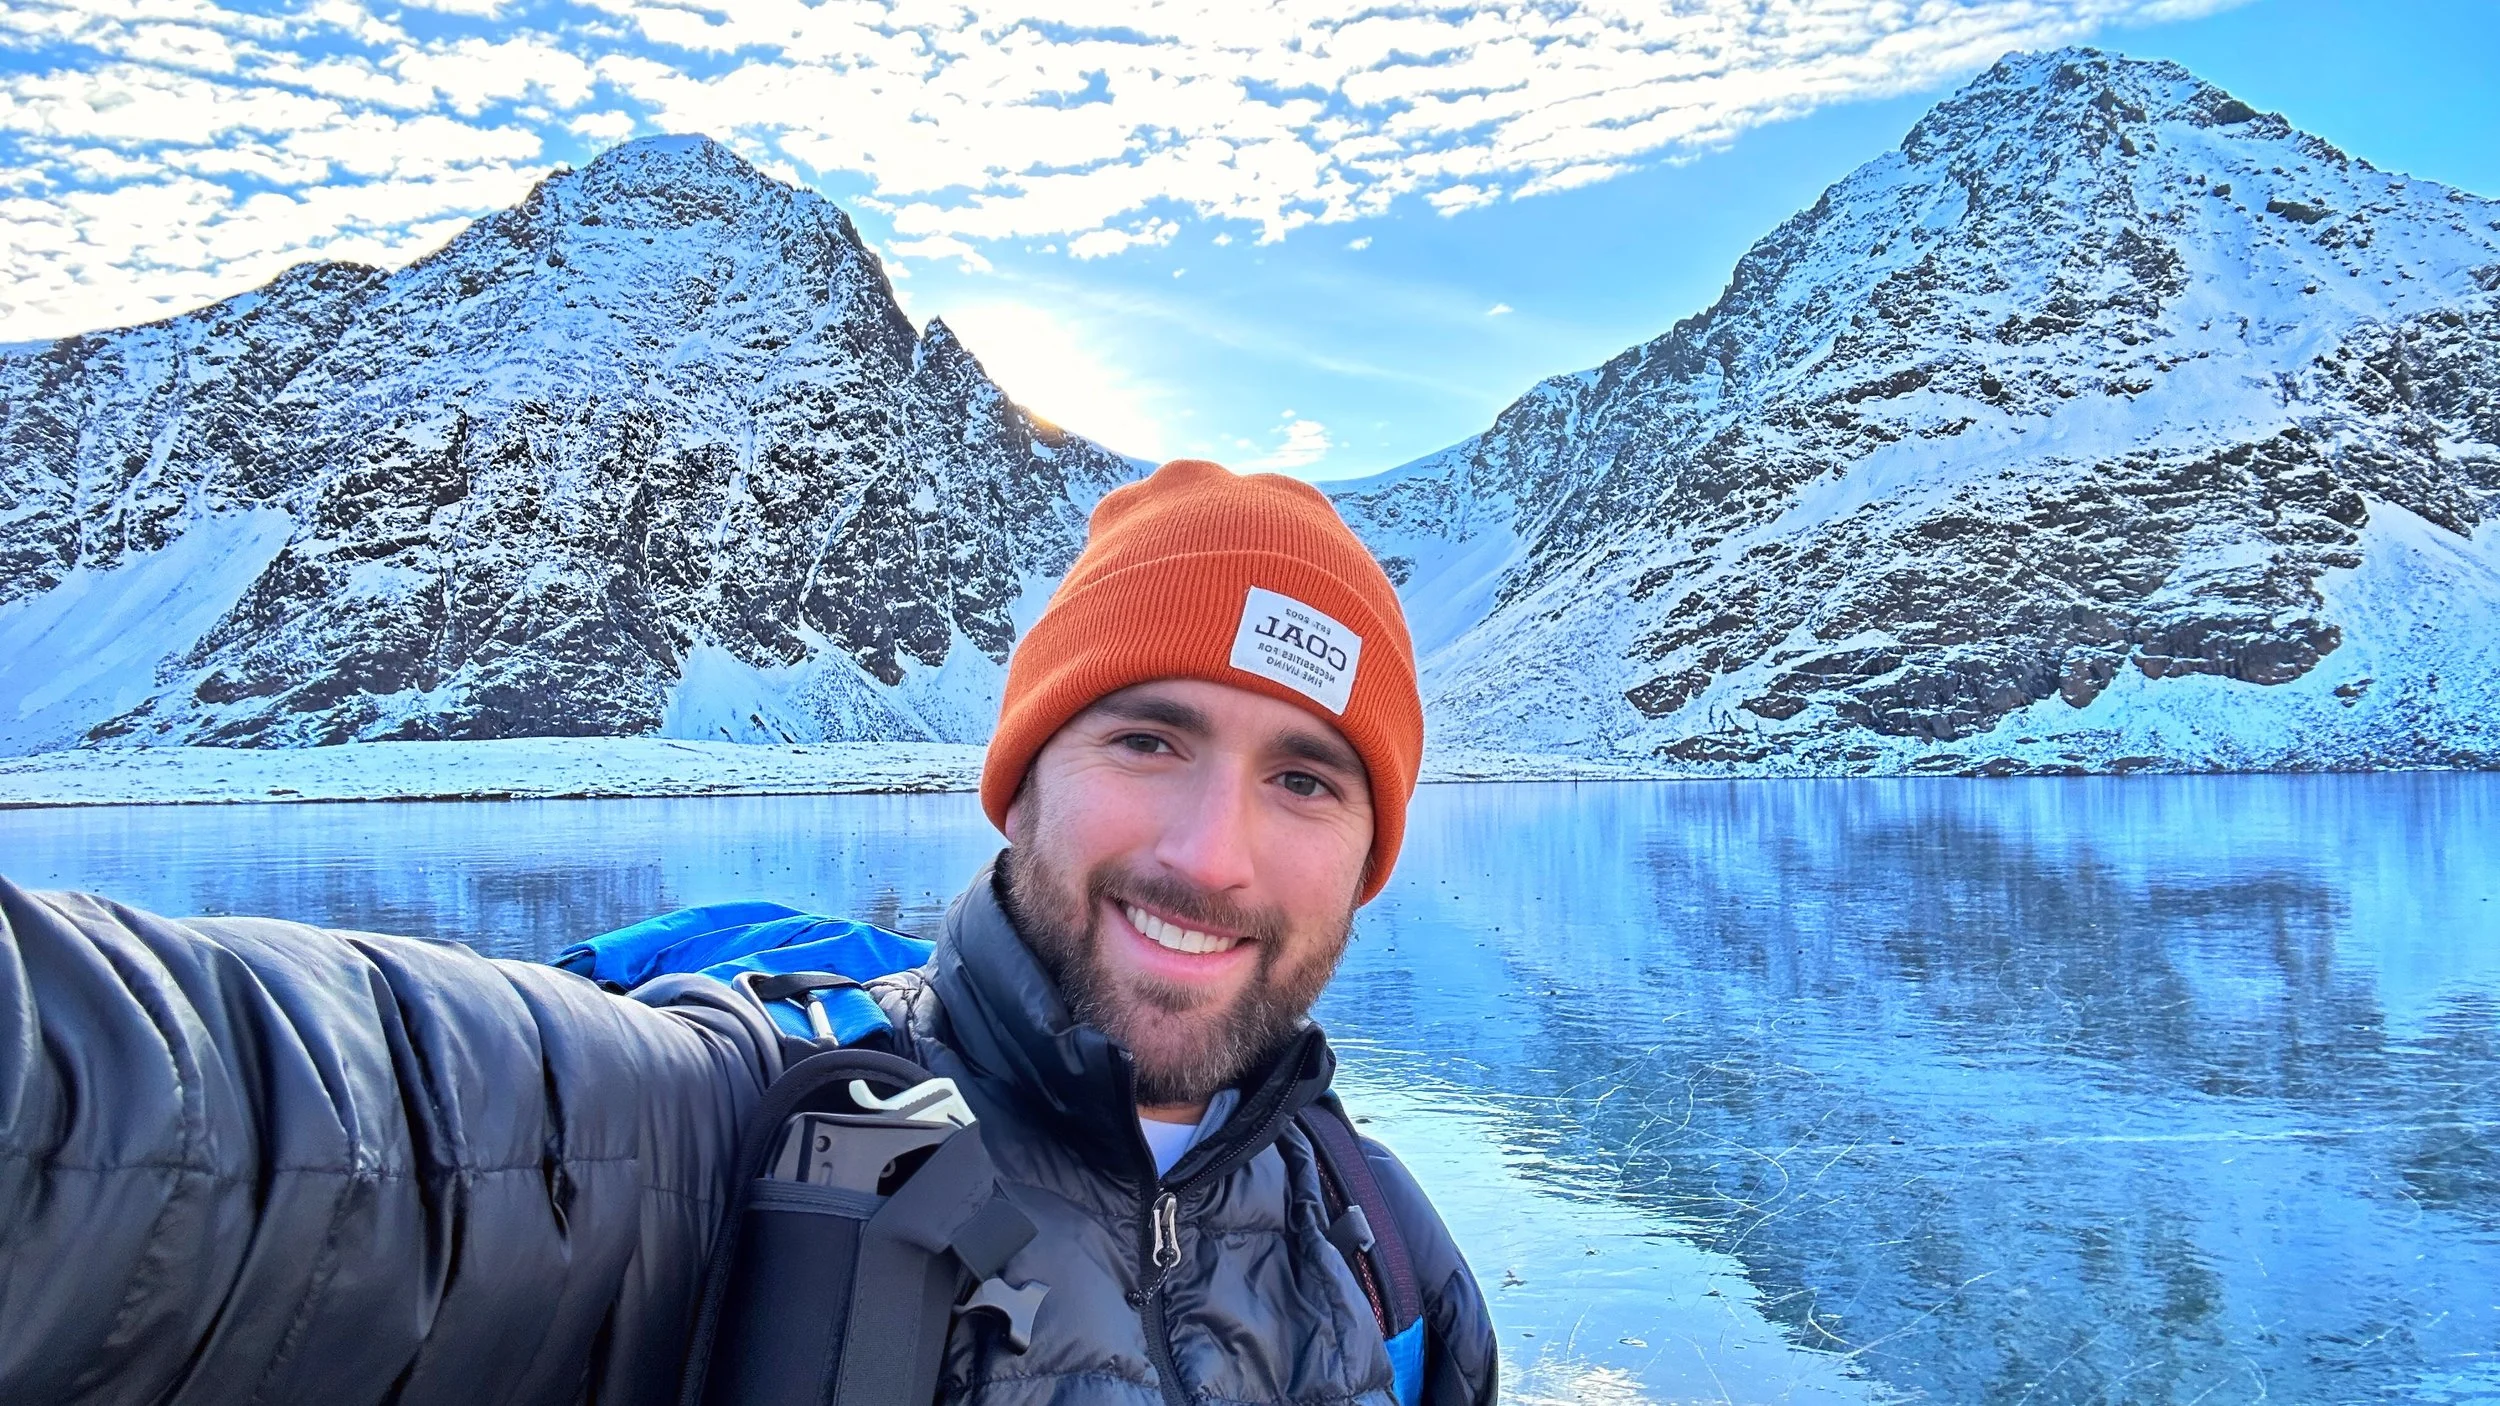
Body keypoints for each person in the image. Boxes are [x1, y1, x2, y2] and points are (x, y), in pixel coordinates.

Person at [0, 459, 1497, 1406]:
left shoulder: (1391, 1264)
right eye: (1150, 740)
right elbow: (270, 1129)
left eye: (1306, 779)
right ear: (1021, 780)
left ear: (1370, 855)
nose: (1209, 855)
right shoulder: (762, 1121)